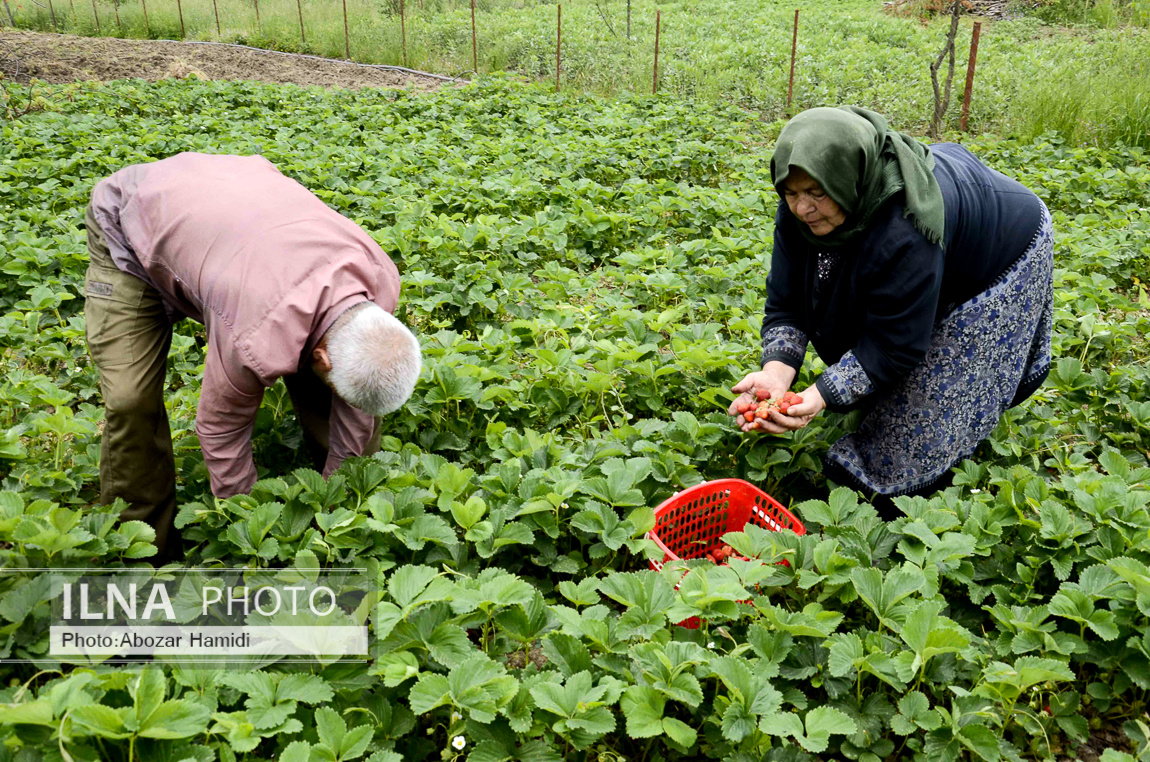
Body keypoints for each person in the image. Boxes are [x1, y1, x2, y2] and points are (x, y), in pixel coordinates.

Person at [84, 152, 422, 561]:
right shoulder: (254, 335)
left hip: (234, 212)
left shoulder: (379, 277)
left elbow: (357, 392)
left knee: (347, 387)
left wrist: (334, 500)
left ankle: (346, 510)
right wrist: (250, 528)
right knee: (130, 399)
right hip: (134, 218)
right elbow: (221, 431)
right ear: (322, 356)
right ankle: (144, 550)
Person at [728, 106, 1052, 510]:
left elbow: (894, 344)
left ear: (850, 178)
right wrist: (776, 377)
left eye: (815, 193)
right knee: (888, 346)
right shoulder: (803, 209)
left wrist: (819, 396)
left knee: (918, 426)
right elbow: (787, 300)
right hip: (934, 246)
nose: (802, 209)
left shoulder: (907, 225)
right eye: (791, 193)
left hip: (1005, 249)